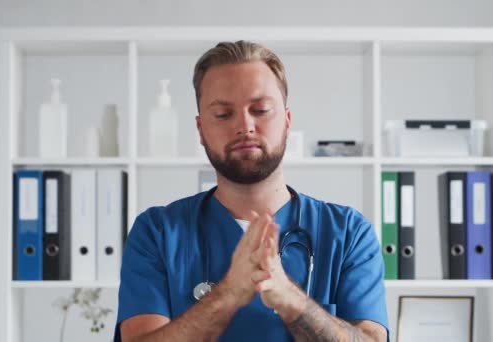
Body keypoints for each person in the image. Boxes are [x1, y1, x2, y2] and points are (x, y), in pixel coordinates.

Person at [115, 40, 389, 341]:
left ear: (287, 121)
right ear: (200, 130)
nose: (245, 126)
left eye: (260, 110)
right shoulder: (157, 232)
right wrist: (228, 294)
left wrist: (292, 301)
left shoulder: (348, 232)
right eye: (222, 114)